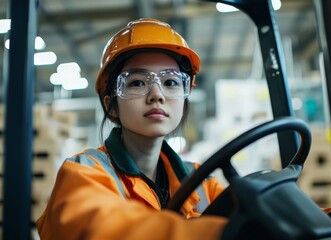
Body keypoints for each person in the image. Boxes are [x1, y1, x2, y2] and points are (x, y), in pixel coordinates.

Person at [36, 18, 228, 239]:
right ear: (111, 106)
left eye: (171, 82)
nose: (157, 94)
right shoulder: (83, 172)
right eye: (137, 82)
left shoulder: (202, 182)